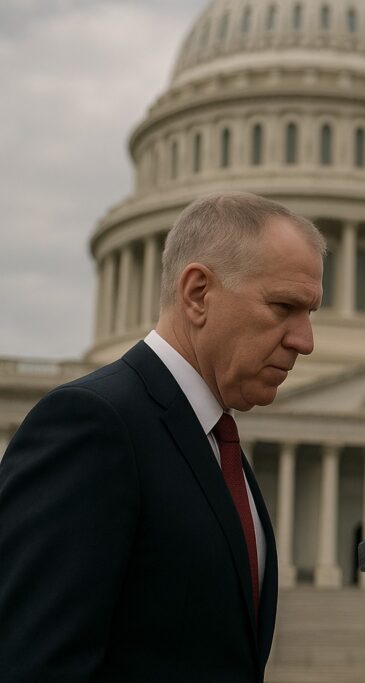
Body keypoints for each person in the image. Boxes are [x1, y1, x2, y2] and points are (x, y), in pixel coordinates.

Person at [0, 192, 325, 682]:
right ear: (197, 293)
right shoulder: (93, 425)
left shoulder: (217, 445)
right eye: (283, 306)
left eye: (310, 313)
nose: (306, 341)